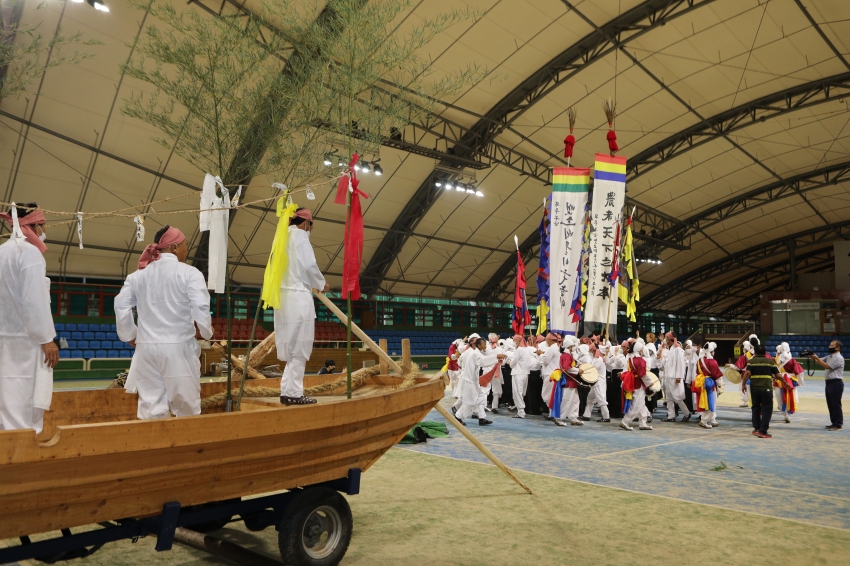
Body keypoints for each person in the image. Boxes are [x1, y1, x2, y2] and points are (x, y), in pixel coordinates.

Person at [115, 225, 214, 420]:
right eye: (185, 245)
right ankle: (186, 447)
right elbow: (201, 307)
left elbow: (120, 305)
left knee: (150, 407)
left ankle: (155, 448)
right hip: (178, 349)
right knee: (187, 407)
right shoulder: (189, 273)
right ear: (175, 247)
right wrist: (207, 331)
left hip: (146, 350)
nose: (187, 250)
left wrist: (131, 334)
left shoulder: (137, 276)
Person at [0, 203, 57, 434]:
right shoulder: (29, 253)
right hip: (25, 340)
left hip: (4, 337)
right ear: (32, 225)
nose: (44, 230)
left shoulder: (2, 251)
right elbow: (35, 300)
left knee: (5, 397)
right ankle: (23, 453)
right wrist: (46, 339)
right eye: (42, 226)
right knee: (23, 399)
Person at [274, 208, 329, 406]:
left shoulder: (281, 236)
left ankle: (287, 391)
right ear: (306, 224)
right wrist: (321, 284)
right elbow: (308, 266)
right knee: (300, 347)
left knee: (291, 349)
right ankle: (295, 393)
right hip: (298, 295)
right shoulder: (299, 236)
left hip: (282, 298)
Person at [454, 337, 505, 426]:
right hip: (469, 381)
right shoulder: (475, 354)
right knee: (470, 401)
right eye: (484, 344)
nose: (485, 346)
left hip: (473, 381)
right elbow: (483, 361)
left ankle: (482, 418)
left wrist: (496, 358)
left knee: (482, 396)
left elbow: (483, 360)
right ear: (479, 345)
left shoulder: (477, 353)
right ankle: (458, 417)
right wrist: (496, 357)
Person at [741, 343, 780, 438]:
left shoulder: (751, 361)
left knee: (755, 408)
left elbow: (747, 373)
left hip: (754, 389)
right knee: (766, 409)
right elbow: (778, 375)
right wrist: (785, 382)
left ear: (755, 352)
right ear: (765, 352)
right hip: (766, 389)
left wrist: (743, 384)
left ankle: (756, 429)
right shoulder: (770, 361)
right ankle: (763, 431)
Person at [810, 340, 844, 431]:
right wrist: (813, 356)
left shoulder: (838, 358)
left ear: (837, 348)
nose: (830, 346)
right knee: (830, 404)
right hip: (829, 383)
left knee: (835, 404)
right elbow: (820, 361)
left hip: (836, 383)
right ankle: (834, 422)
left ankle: (838, 424)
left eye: (832, 345)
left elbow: (826, 366)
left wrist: (816, 358)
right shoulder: (830, 356)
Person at [620, 338, 652, 431]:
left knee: (641, 403)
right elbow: (643, 374)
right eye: (641, 349)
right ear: (638, 350)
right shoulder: (639, 360)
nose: (642, 351)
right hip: (638, 383)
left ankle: (643, 422)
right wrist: (650, 383)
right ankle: (625, 421)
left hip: (633, 381)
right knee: (637, 404)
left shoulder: (631, 357)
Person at [659, 331, 690, 423]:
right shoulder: (670, 350)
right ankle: (670, 416)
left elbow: (681, 364)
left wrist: (679, 376)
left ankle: (687, 413)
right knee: (668, 398)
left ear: (671, 338)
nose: (665, 339)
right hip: (668, 377)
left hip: (675, 378)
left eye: (666, 337)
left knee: (677, 397)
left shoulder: (678, 350)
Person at [692, 342, 722, 429]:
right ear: (711, 351)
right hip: (710, 384)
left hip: (702, 384)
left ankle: (712, 419)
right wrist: (719, 384)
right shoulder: (712, 362)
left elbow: (697, 372)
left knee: (705, 402)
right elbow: (716, 374)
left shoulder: (699, 360)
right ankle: (704, 420)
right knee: (710, 402)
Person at [774, 342, 804, 423]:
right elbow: (799, 372)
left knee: (779, 397)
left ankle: (784, 412)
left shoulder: (776, 359)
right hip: (790, 381)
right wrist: (801, 382)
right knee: (792, 396)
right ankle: (788, 414)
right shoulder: (792, 360)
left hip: (779, 381)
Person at [581, 341, 610, 422]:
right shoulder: (597, 359)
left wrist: (582, 370)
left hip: (598, 383)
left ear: (594, 351)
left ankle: (606, 417)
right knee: (590, 399)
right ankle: (586, 415)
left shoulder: (598, 360)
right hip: (596, 383)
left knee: (601, 400)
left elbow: (592, 369)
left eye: (591, 350)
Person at [536, 333, 562, 419]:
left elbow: (545, 361)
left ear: (548, 340)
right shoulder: (556, 347)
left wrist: (540, 354)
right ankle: (552, 414)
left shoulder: (552, 348)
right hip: (554, 373)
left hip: (550, 374)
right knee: (551, 395)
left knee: (546, 395)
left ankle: (554, 413)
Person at [508, 335, 531, 418]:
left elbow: (512, 363)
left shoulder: (519, 350)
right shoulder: (527, 349)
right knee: (521, 392)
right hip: (525, 373)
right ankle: (521, 411)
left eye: (514, 340)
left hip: (518, 373)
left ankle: (521, 411)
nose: (513, 342)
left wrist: (509, 362)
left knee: (517, 392)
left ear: (518, 341)